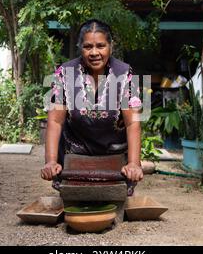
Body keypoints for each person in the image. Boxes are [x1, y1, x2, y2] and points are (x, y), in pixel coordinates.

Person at [40, 19, 143, 190]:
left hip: (114, 156)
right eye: (88, 47)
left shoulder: (126, 73)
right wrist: (50, 161)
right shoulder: (63, 73)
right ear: (80, 47)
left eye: (101, 46)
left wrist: (133, 164)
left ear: (111, 46)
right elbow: (55, 122)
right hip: (74, 155)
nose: (94, 52)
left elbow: (133, 123)